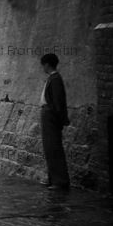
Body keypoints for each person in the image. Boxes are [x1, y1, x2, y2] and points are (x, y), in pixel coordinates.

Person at [39, 53, 71, 191]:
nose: (43, 68)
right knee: (49, 148)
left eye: (43, 65)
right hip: (48, 115)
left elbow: (58, 102)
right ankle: (53, 179)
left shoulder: (56, 79)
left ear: (47, 64)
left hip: (51, 116)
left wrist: (59, 119)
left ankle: (60, 181)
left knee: (54, 148)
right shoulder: (52, 78)